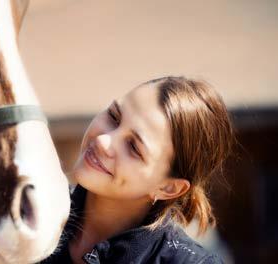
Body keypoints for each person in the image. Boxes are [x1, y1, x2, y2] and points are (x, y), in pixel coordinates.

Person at [41, 76, 234, 264]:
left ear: (168, 188)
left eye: (134, 147)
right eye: (114, 116)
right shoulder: (31, 213)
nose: (102, 141)